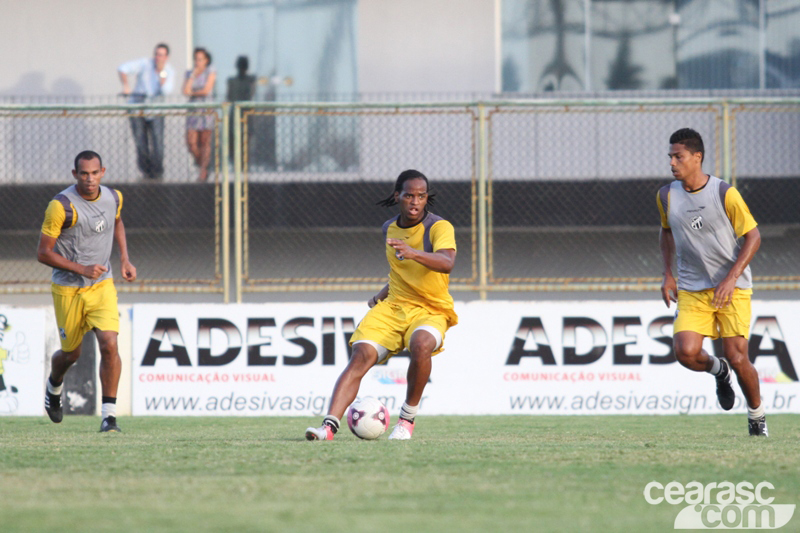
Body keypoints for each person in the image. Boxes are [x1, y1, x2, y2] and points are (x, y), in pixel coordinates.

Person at [306, 170, 458, 441]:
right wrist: (382, 293)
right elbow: (399, 271)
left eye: (421, 196)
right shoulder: (389, 228)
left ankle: (406, 421)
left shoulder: (439, 227)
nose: (415, 202)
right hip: (393, 307)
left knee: (421, 345)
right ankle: (327, 428)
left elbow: (446, 263)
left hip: (430, 309)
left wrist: (413, 253)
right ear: (397, 195)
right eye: (409, 195)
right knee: (361, 355)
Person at [657, 128, 766, 436]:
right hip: (692, 287)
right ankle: (719, 372)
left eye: (678, 157)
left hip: (732, 287)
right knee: (686, 352)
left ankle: (756, 417)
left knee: (737, 355)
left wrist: (731, 279)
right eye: (671, 157)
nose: (672, 163)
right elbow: (666, 232)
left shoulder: (724, 193)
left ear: (697, 157)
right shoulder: (666, 195)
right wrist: (667, 273)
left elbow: (754, 237)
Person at [37, 151, 137, 432]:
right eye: (84, 173)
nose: (89, 179)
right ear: (75, 174)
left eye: (94, 173)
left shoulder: (114, 197)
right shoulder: (61, 206)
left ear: (102, 172)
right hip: (68, 289)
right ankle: (54, 386)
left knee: (110, 343)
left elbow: (116, 221)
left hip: (102, 284)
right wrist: (82, 269)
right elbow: (43, 253)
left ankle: (109, 417)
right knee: (71, 355)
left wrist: (124, 258)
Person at [118, 43, 175, 180]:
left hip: (156, 110)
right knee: (140, 142)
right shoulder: (145, 63)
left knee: (158, 143)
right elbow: (122, 68)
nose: (158, 58)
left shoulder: (170, 70)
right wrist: (126, 86)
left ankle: (157, 173)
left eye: (162, 55)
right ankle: (146, 172)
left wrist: (161, 74)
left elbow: (166, 90)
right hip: (138, 108)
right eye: (157, 54)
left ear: (166, 57)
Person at [183, 47, 217, 182]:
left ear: (206, 60)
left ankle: (203, 171)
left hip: (206, 110)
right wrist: (192, 76)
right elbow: (185, 90)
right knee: (191, 143)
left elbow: (207, 90)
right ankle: (201, 163)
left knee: (204, 142)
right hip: (193, 111)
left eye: (200, 59)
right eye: (196, 59)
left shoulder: (211, 72)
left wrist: (193, 92)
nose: (197, 62)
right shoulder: (189, 73)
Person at [225, 55, 256, 163]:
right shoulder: (247, 81)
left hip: (244, 113)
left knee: (242, 140)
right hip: (241, 113)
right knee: (237, 140)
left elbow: (229, 97)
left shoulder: (246, 80)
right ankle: (239, 163)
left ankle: (242, 163)